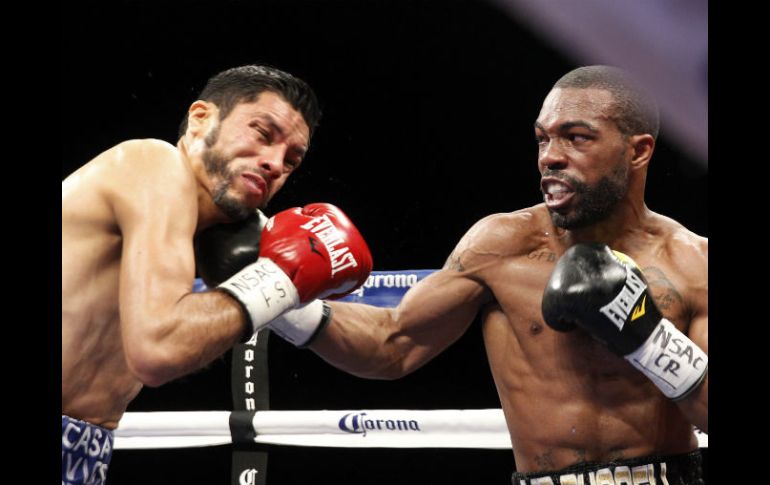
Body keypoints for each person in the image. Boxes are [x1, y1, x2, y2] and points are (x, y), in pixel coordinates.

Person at [283, 65, 708, 484]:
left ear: (638, 151)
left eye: (576, 138)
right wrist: (279, 297)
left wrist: (651, 340)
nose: (551, 157)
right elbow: (393, 344)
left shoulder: (693, 264)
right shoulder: (501, 245)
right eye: (542, 139)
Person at [61, 65, 372, 485]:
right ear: (201, 118)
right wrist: (279, 279)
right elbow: (157, 349)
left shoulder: (241, 242)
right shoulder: (151, 164)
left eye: (292, 160)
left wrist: (476, 275)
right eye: (263, 134)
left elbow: (386, 351)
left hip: (85, 451)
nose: (275, 163)